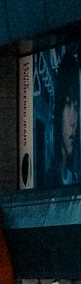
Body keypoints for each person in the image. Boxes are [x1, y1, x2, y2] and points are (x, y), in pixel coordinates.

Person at [47, 52, 81, 187]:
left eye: (77, 107)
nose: (73, 121)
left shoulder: (74, 176)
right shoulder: (51, 179)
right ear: (58, 111)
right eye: (68, 105)